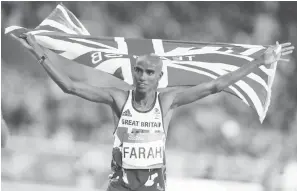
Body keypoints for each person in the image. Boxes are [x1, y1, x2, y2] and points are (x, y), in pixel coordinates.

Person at [19, 34, 294, 191]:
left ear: (160, 76)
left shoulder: (167, 101)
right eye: (138, 70)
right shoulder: (118, 98)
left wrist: (259, 61)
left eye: (149, 72)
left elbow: (216, 86)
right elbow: (70, 87)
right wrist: (40, 54)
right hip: (120, 187)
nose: (142, 76)